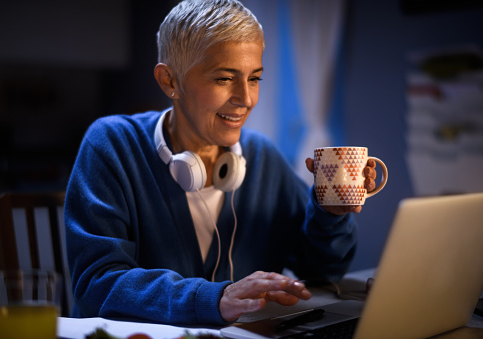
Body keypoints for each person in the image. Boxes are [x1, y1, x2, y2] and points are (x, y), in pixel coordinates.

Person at [64, 0, 376, 326]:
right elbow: (97, 285)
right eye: (225, 79)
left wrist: (329, 214)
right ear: (170, 81)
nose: (246, 99)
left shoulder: (261, 157)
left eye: (254, 78)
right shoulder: (112, 145)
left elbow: (324, 271)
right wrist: (215, 298)